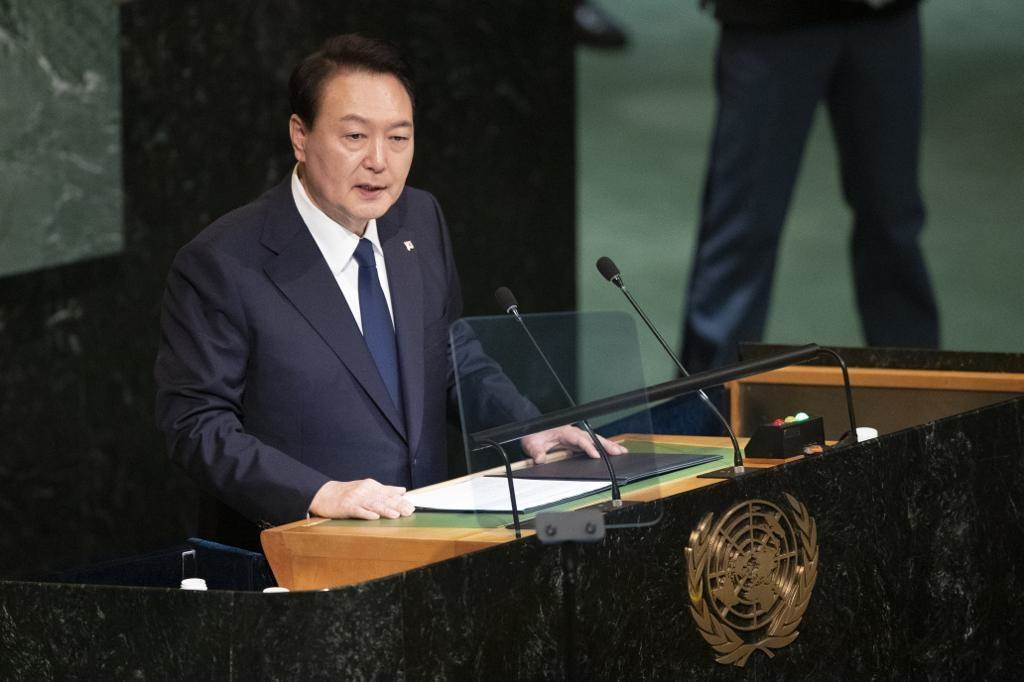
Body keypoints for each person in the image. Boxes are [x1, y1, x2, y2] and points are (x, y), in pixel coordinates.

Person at [155, 34, 624, 549]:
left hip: (429, 541)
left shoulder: (418, 218)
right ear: (300, 137)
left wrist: (527, 426)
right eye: (355, 136)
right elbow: (196, 425)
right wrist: (318, 494)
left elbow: (449, 356)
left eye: (398, 138)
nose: (379, 161)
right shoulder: (224, 262)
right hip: (301, 556)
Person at [681, 0, 940, 373]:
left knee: (893, 220)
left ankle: (918, 388)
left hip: (885, 19)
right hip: (768, 24)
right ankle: (710, 398)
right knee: (743, 230)